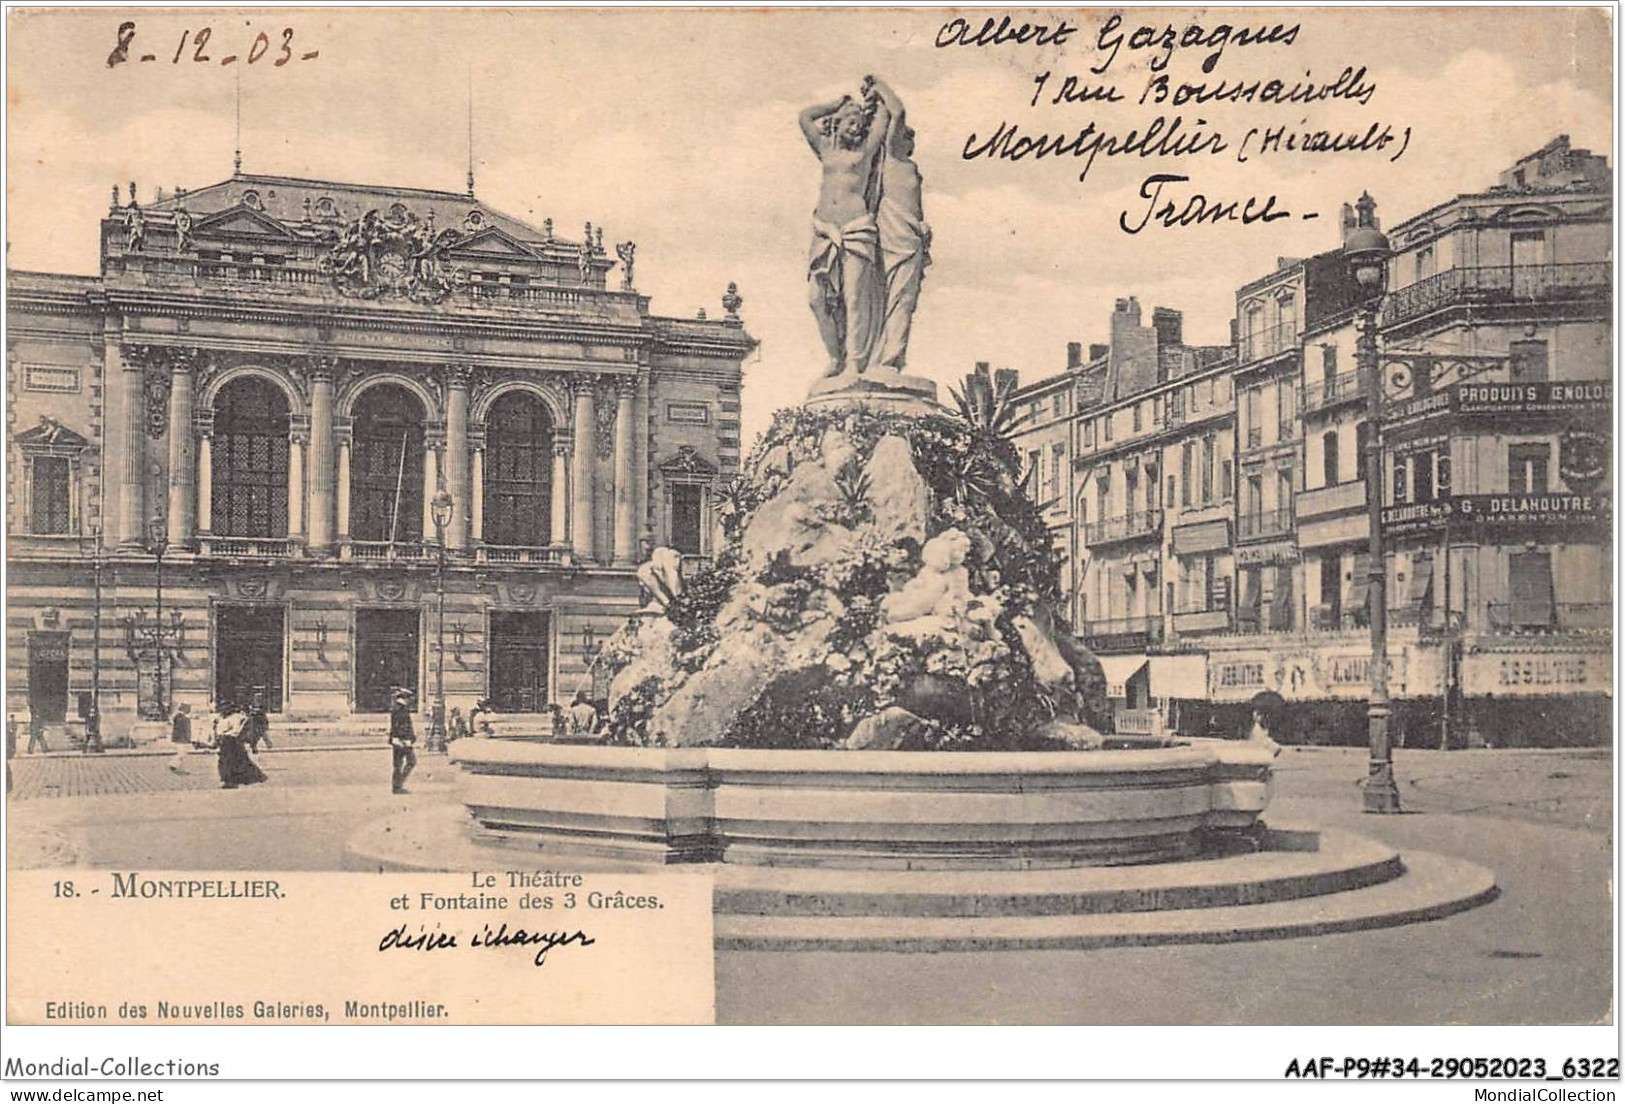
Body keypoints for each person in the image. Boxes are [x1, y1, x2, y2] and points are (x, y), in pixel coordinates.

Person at [800, 79, 891, 377]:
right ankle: (834, 356)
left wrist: (876, 95)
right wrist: (836, 103)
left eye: (860, 124)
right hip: (825, 231)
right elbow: (804, 117)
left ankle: (854, 361)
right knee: (816, 299)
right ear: (837, 123)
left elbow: (885, 120)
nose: (857, 128)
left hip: (856, 229)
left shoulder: (864, 153)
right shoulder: (825, 148)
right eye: (851, 122)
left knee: (854, 298)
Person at [213, 704, 266, 789]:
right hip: (224, 742)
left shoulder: (235, 718)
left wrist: (225, 733)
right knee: (224, 762)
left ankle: (233, 781)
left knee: (234, 763)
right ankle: (227, 781)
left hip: (232, 741)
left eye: (224, 709)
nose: (223, 711)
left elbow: (236, 730)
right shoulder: (222, 717)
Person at [389, 689, 417, 794]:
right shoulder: (401, 710)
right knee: (410, 762)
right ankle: (398, 785)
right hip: (402, 741)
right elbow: (401, 727)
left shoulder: (398, 709)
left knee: (398, 764)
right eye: (409, 698)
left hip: (399, 740)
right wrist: (406, 739)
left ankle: (397, 786)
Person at [169, 702, 193, 774]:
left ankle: (175, 765)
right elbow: (187, 730)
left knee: (181, 754)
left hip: (177, 738)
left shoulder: (177, 717)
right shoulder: (185, 719)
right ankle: (174, 765)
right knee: (182, 754)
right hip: (182, 739)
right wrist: (188, 739)